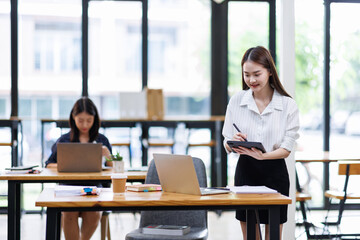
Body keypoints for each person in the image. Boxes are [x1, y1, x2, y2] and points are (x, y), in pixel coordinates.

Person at [222, 46, 299, 240]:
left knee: (273, 236)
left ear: (270, 71)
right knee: (250, 237)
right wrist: (232, 143)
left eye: (257, 74)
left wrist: (263, 155)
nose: (251, 80)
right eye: (246, 75)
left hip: (275, 174)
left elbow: (286, 148)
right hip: (246, 172)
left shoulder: (287, 105)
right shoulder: (237, 100)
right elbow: (226, 142)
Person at [45, 97, 112, 240]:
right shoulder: (64, 140)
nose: (85, 124)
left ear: (95, 119)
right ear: (73, 118)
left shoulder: (102, 140)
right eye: (80, 120)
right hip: (68, 188)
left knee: (94, 212)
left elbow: (114, 168)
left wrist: (108, 155)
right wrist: (64, 164)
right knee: (69, 212)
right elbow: (49, 164)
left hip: (94, 188)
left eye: (89, 120)